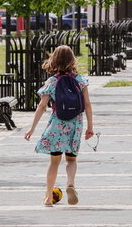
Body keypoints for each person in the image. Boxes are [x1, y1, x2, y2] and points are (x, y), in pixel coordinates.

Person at [24, 44, 94, 207]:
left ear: (54, 59)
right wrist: (90, 127)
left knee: (54, 161)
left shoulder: (52, 81)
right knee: (71, 159)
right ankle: (70, 184)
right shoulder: (80, 80)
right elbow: (88, 105)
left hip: (57, 124)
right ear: (72, 60)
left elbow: (42, 106)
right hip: (75, 125)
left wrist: (32, 128)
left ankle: (49, 197)